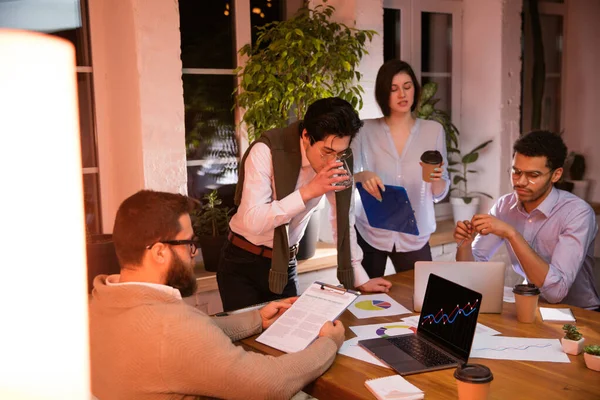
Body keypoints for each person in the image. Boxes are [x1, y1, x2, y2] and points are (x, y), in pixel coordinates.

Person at [89, 190, 347, 400]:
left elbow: (190, 336)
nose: (193, 254)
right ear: (159, 252)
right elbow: (269, 384)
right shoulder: (171, 328)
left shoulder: (99, 303)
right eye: (188, 244)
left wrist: (256, 319)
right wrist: (327, 343)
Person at [217, 97, 392, 311]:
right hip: (243, 262)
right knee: (247, 339)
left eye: (340, 153)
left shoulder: (338, 158)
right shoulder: (267, 151)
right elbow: (253, 220)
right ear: (306, 135)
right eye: (327, 152)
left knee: (289, 338)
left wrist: (359, 277)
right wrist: (308, 192)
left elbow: (343, 218)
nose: (333, 162)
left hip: (285, 265)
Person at [454, 130, 600, 310]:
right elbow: (471, 270)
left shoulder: (578, 213)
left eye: (533, 175)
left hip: (580, 314)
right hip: (531, 306)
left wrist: (511, 234)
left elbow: (556, 293)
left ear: (556, 175)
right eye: (516, 172)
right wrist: (465, 245)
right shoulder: (504, 206)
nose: (521, 182)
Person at [351, 60, 450, 278]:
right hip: (371, 231)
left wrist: (434, 179)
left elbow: (439, 193)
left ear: (415, 88)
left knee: (422, 299)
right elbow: (346, 178)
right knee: (363, 301)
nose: (402, 94)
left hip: (415, 234)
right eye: (393, 89)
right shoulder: (364, 130)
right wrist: (363, 175)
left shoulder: (433, 130)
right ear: (383, 94)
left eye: (407, 86)